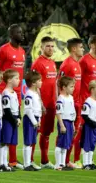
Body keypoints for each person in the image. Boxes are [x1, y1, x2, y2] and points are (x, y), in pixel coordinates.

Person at [0, 25, 26, 169]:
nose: (22, 34)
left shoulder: (22, 51)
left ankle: (11, 160)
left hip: (16, 94)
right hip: (2, 94)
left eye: (22, 32)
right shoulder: (3, 51)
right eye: (19, 32)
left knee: (12, 127)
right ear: (11, 34)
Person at [75, 36, 96, 168]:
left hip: (95, 102)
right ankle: (76, 159)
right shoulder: (84, 60)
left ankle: (87, 160)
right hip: (84, 102)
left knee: (92, 134)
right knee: (81, 132)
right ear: (92, 45)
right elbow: (77, 81)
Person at [30, 36, 57, 169]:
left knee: (46, 132)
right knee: (35, 132)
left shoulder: (52, 63)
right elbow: (34, 85)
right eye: (48, 46)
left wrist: (56, 101)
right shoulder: (37, 64)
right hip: (40, 105)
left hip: (51, 104)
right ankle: (30, 160)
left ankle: (44, 161)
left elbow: (54, 84)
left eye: (52, 46)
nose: (50, 48)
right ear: (41, 48)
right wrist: (40, 103)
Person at [58, 38, 84, 168]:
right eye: (81, 47)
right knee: (65, 133)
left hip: (76, 103)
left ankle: (67, 160)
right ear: (74, 49)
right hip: (68, 104)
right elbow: (59, 83)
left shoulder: (77, 64)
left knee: (73, 133)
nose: (83, 49)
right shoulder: (67, 64)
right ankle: (62, 161)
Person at [0, 70, 21, 172]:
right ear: (9, 80)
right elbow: (7, 110)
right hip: (8, 120)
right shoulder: (6, 93)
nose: (19, 80)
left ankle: (5, 162)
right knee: (4, 142)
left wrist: (19, 117)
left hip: (14, 119)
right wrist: (14, 120)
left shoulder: (14, 93)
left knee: (8, 143)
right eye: (16, 78)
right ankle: (1, 164)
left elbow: (18, 107)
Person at [55, 76, 77, 171]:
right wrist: (62, 125)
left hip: (69, 122)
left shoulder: (71, 98)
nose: (73, 88)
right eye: (71, 86)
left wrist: (72, 124)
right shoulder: (61, 99)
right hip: (63, 122)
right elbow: (58, 113)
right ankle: (58, 164)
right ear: (64, 87)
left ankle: (63, 164)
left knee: (65, 145)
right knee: (60, 144)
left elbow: (72, 111)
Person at [22, 71, 43, 171]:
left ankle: (29, 162)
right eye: (39, 80)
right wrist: (34, 121)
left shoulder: (36, 93)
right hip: (30, 120)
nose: (41, 82)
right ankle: (26, 164)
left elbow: (37, 108)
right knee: (28, 142)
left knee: (31, 142)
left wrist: (39, 119)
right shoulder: (29, 94)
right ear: (33, 83)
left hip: (35, 119)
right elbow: (28, 109)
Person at [81, 80, 96, 170]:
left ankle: (90, 162)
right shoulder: (88, 101)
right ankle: (86, 163)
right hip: (90, 127)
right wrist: (92, 122)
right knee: (87, 144)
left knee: (93, 144)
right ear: (93, 90)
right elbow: (84, 114)